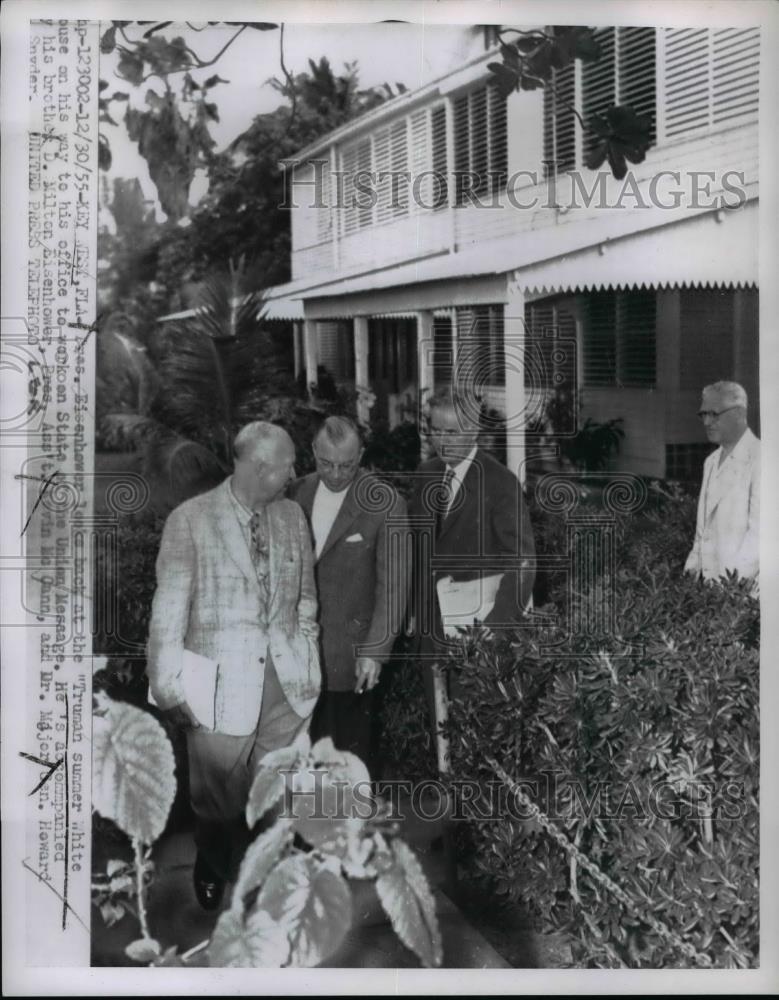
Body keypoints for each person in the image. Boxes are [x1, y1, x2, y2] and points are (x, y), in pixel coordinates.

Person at [146, 422, 320, 909]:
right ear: (261, 468)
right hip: (220, 686)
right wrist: (167, 687)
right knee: (218, 798)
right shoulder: (191, 520)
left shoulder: (291, 516)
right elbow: (168, 613)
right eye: (287, 465)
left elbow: (306, 598)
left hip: (286, 682)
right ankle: (213, 858)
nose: (294, 473)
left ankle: (268, 879)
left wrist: (307, 650)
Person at [408, 388, 535, 762]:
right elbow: (418, 548)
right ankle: (452, 805)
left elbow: (523, 561)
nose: (442, 441)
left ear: (475, 430)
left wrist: (494, 630)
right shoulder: (425, 474)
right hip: (433, 627)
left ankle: (482, 812)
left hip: (479, 629)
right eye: (435, 430)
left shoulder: (500, 482)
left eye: (453, 432)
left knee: (479, 731)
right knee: (442, 730)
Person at [289, 416, 409, 769]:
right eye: (326, 463)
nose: (337, 474)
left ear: (361, 456)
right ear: (312, 452)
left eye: (347, 465)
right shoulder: (295, 492)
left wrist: (375, 651)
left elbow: (395, 586)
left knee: (348, 758)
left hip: (353, 657)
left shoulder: (386, 502)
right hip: (296, 656)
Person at [684, 381, 760, 592]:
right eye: (703, 415)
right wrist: (690, 574)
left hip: (742, 593)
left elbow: (760, 536)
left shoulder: (761, 459)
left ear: (738, 413)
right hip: (709, 590)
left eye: (714, 414)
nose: (707, 422)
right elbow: (702, 532)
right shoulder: (711, 462)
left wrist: (731, 589)